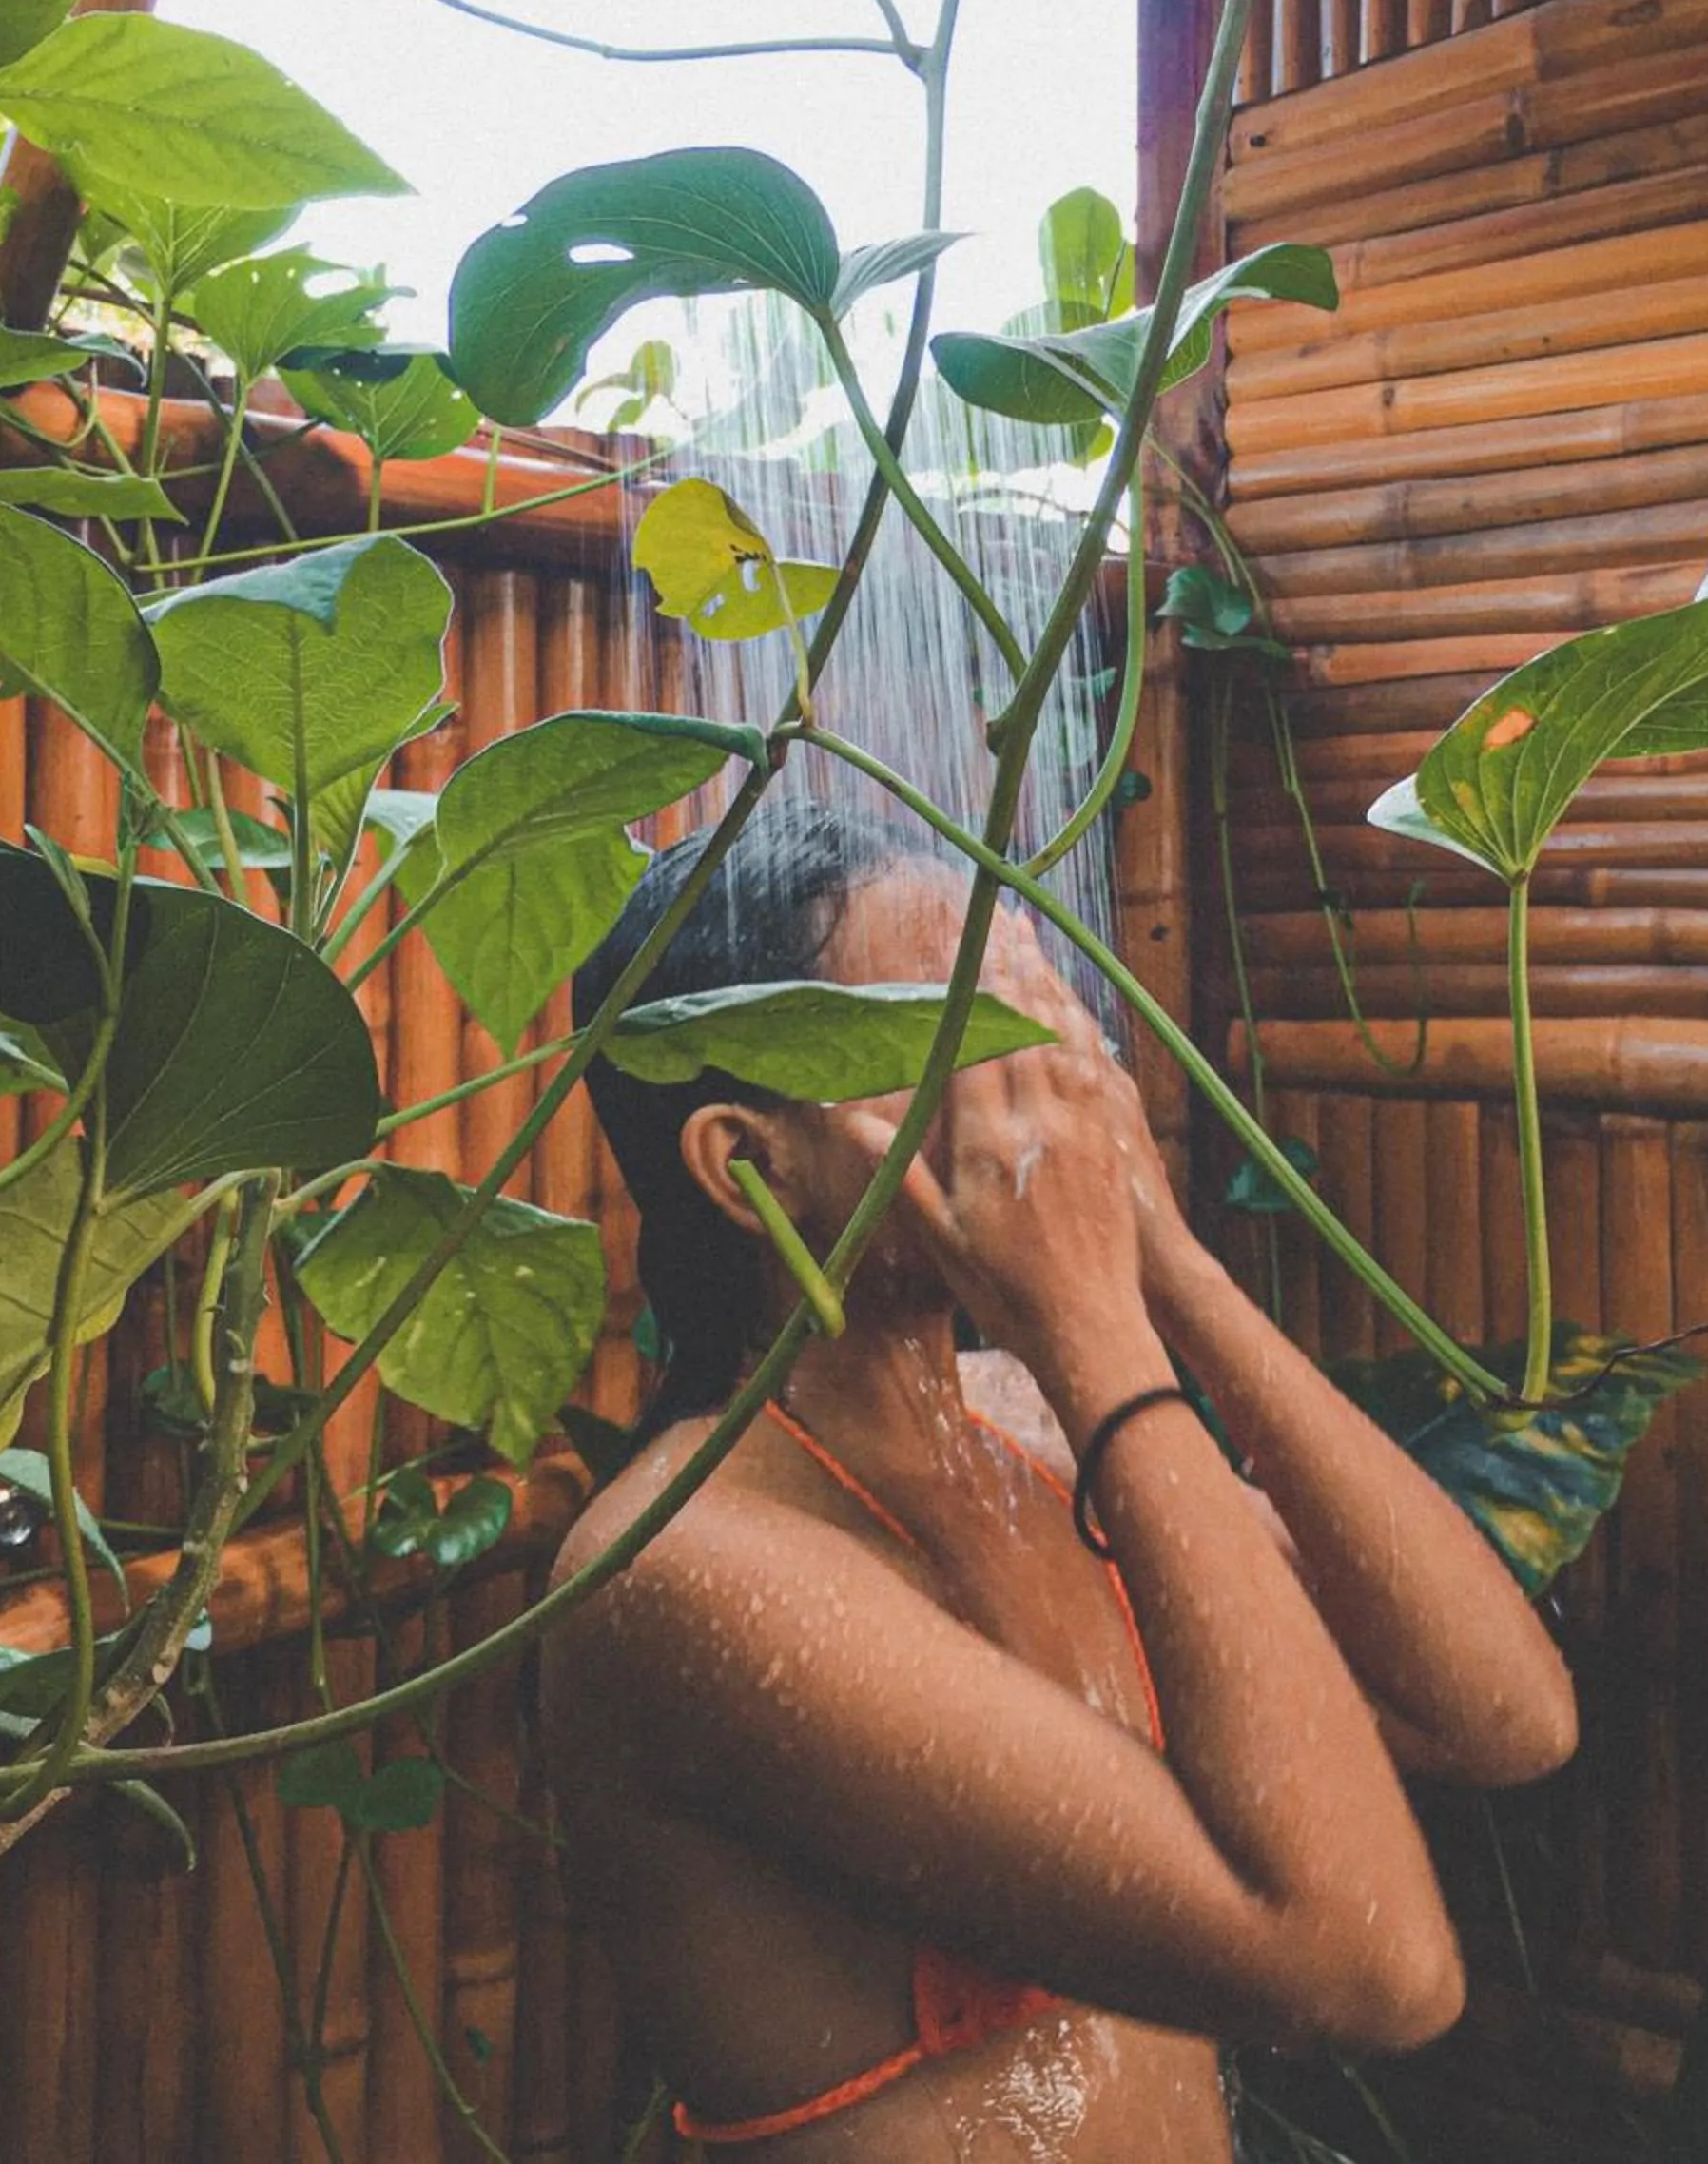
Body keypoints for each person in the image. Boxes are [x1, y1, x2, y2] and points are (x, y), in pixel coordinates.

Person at [544, 799, 1577, 2158]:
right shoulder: (685, 1566)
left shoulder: (1025, 1420)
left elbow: (1500, 1717)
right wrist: (1093, 1329)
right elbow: (1371, 1970)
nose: (1024, 1093)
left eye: (1019, 1023)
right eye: (946, 1047)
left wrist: (1163, 1263)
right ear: (748, 1166)